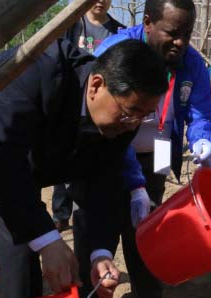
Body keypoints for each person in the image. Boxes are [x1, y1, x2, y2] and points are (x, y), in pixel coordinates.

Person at [0, 39, 168, 298]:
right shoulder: (38, 67)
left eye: (145, 115)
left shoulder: (124, 121)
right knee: (38, 236)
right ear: (96, 86)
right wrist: (49, 240)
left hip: (15, 171)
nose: (134, 126)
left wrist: (100, 253)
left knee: (23, 248)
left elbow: (102, 182)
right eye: (131, 113)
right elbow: (2, 157)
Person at [76, 0, 211, 298]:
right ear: (149, 22)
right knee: (100, 220)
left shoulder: (191, 63)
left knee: (149, 224)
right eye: (172, 33)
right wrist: (132, 182)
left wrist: (202, 138)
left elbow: (199, 110)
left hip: (160, 149)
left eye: (186, 33)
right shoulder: (117, 50)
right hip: (110, 145)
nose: (180, 42)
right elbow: (107, 118)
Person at [52, 0, 127, 232]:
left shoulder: (119, 31)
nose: (101, 1)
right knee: (63, 156)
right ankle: (61, 213)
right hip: (74, 100)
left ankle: (85, 212)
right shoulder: (70, 26)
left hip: (104, 104)